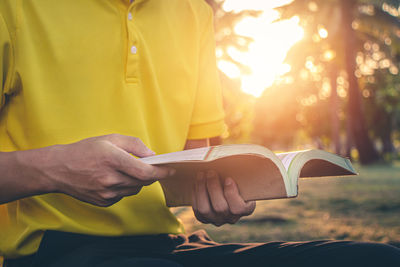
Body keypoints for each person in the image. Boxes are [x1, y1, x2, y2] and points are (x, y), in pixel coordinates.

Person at [0, 1, 399, 266]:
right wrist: (55, 169)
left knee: (377, 259)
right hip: (50, 250)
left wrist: (218, 195)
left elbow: (194, 169)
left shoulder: (193, 12)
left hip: (170, 246)